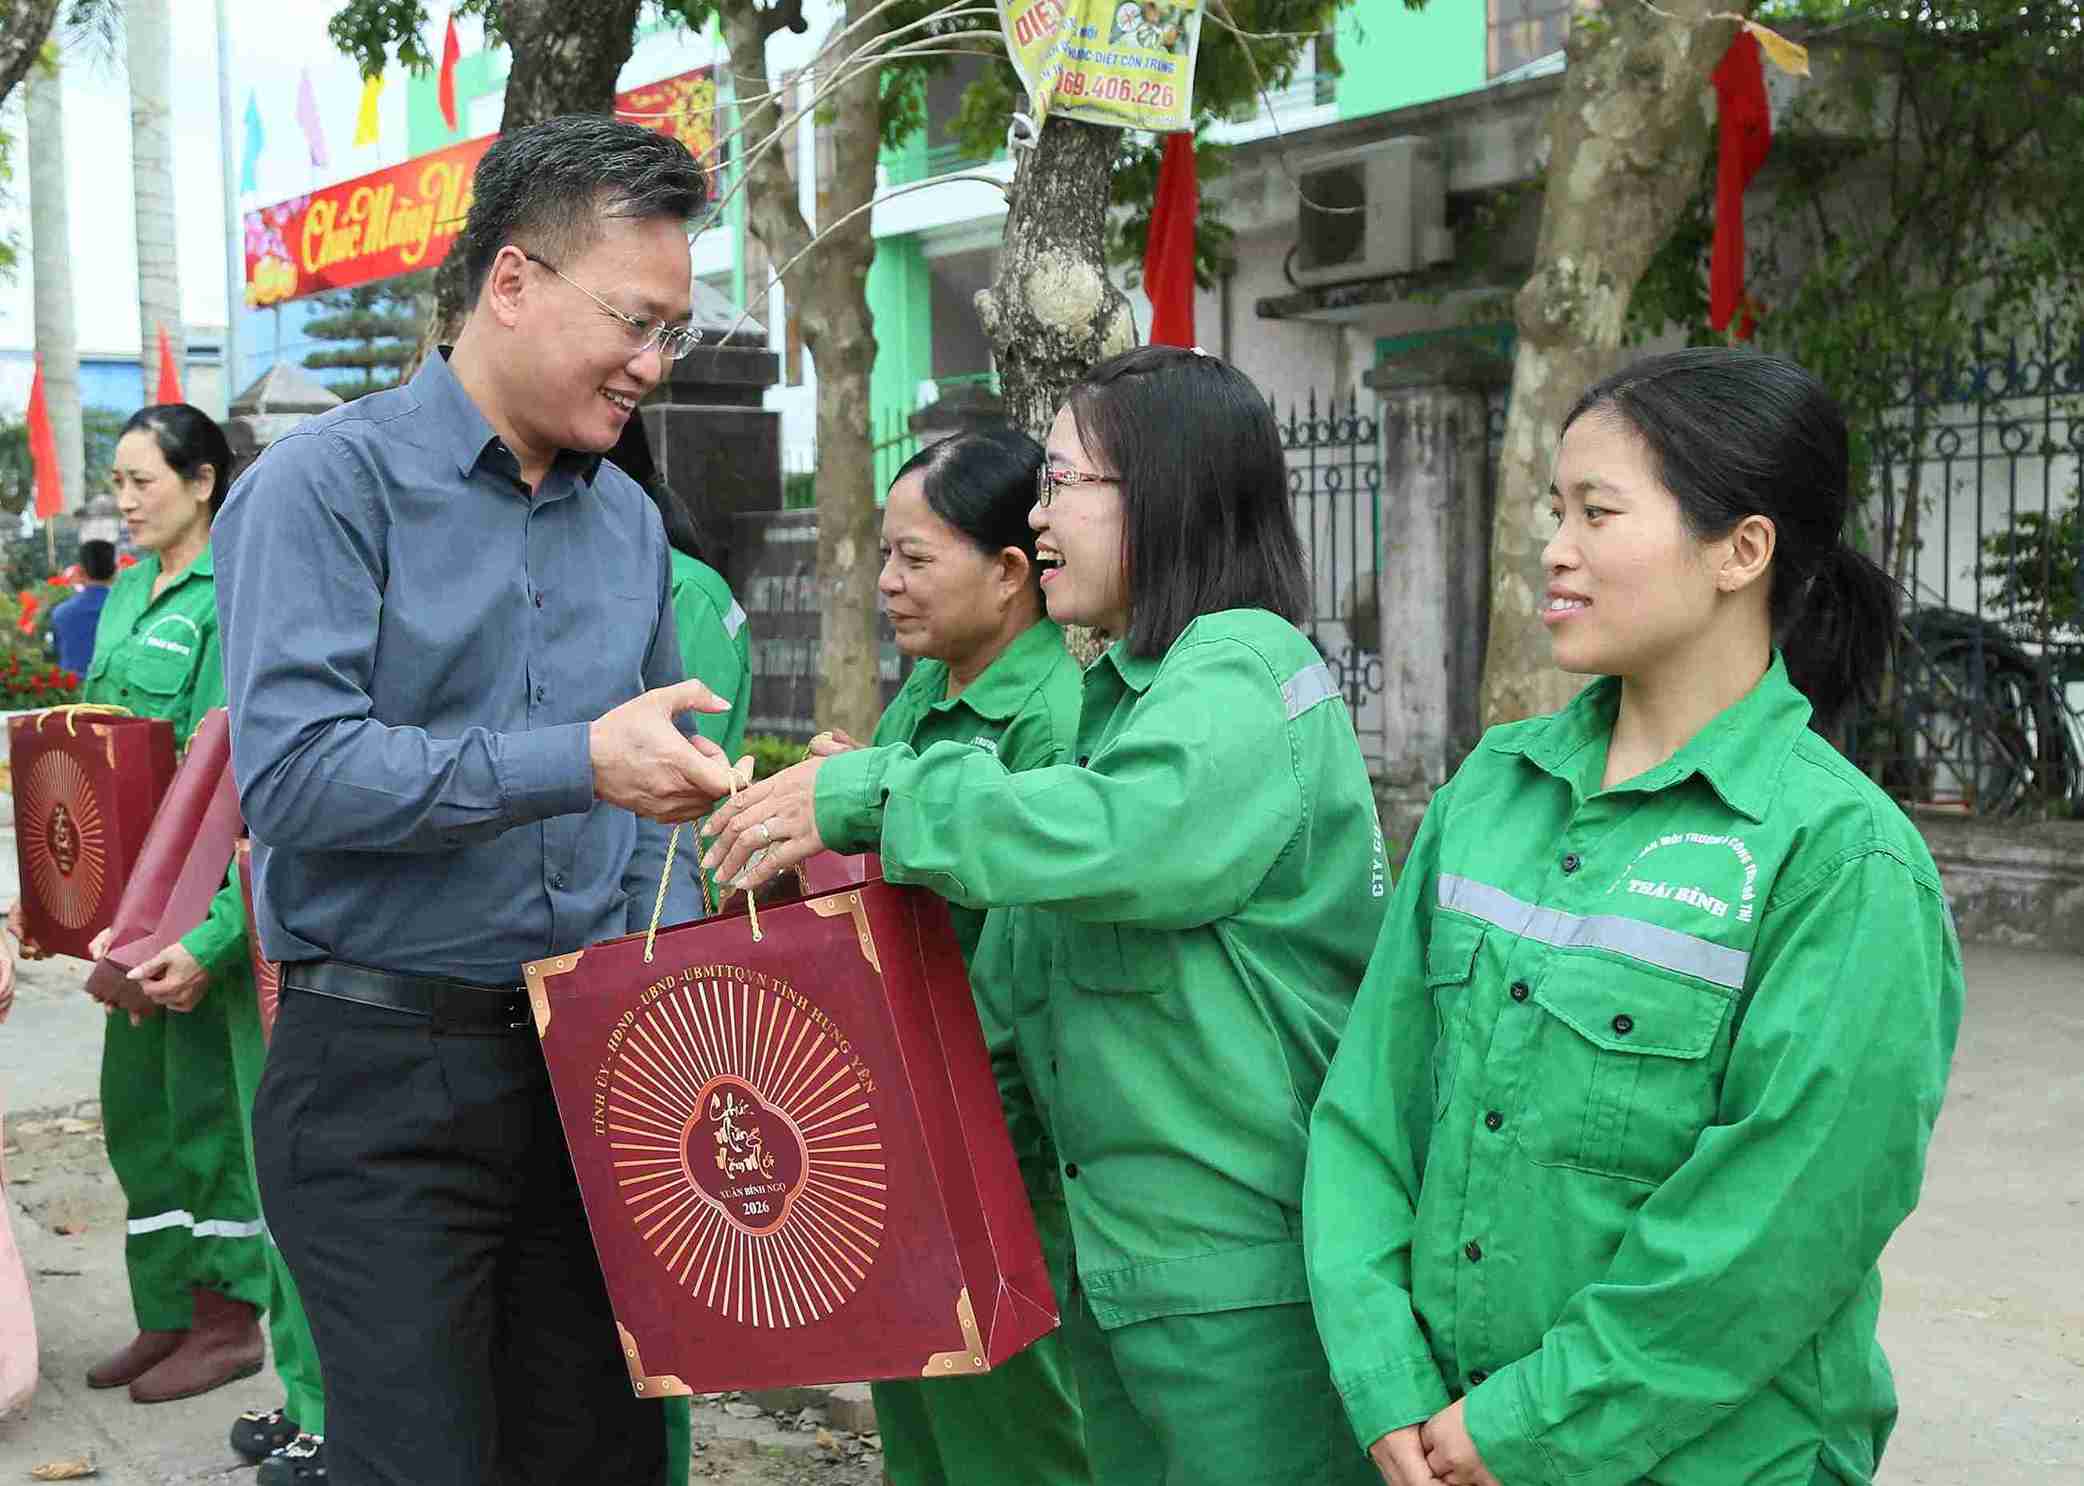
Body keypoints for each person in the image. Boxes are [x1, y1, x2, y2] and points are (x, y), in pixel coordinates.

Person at [701, 345, 1388, 1486]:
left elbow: (1115, 835)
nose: (1040, 510)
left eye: (1065, 482)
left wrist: (874, 793)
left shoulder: (1238, 670)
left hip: (1228, 1258)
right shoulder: (1138, 690)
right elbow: (1023, 978)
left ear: (1160, 491)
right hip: (1135, 1255)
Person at [1303, 348, 1964, 1486]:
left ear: (1738, 550)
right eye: (1555, 511)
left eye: (1596, 513)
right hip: (1437, 1441)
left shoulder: (1838, 860)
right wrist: (1386, 1376)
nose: (1554, 550)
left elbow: (1772, 1235)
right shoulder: (1487, 795)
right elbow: (1365, 1111)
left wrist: (1526, 1425)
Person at [212, 114, 741, 1486]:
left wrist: (701, 831)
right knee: (424, 1462)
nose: (653, 364)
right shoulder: (323, 490)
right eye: (635, 321)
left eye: (674, 332)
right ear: (513, 282)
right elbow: (300, 773)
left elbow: (647, 784)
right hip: (380, 1075)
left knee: (599, 1454)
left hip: (581, 1064)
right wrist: (576, 760)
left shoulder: (625, 520)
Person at [816, 427, 1092, 1486]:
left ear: (1011, 571)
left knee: (1015, 1439)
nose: (887, 583)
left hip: (993, 1152)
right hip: (906, 1135)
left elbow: (1026, 973)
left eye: (915, 558)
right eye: (885, 555)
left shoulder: (1048, 723)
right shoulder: (926, 696)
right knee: (925, 1429)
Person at [6, 406, 273, 1406]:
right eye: (113, 481)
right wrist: (54, 900)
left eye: (139, 479)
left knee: (208, 1119)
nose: (121, 499)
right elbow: (84, 756)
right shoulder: (121, 597)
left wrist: (207, 936)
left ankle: (230, 1316)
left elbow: (222, 780)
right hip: (120, 910)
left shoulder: (230, 596)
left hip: (191, 909)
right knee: (139, 1117)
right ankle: (165, 1308)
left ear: (202, 481)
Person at [49, 539, 117, 675]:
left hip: (72, 691)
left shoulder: (61, 613)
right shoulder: (129, 611)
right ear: (114, 571)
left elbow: (56, 653)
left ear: (80, 572)